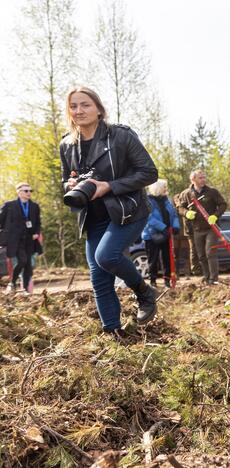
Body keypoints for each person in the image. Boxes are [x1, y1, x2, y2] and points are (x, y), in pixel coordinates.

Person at [59, 86, 159, 335]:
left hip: (128, 210)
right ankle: (112, 332)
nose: (79, 110)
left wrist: (109, 187)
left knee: (106, 256)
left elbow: (149, 172)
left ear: (99, 109)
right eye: (73, 106)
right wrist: (70, 184)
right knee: (98, 276)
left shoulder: (120, 136)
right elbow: (65, 178)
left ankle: (144, 293)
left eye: (85, 105)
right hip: (93, 216)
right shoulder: (67, 144)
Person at [176, 170, 227, 285]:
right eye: (200, 178)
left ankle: (214, 279)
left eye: (204, 177)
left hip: (211, 229)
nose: (203, 179)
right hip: (196, 229)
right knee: (201, 255)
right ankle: (207, 276)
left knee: (210, 252)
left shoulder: (212, 192)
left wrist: (215, 215)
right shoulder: (186, 194)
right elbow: (180, 208)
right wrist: (186, 213)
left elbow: (223, 204)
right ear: (193, 180)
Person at [0, 183, 42, 294]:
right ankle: (12, 282)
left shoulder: (34, 206)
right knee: (22, 260)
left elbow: (38, 223)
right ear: (19, 192)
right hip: (14, 240)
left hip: (29, 239)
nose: (29, 193)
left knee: (28, 265)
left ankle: (25, 290)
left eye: (30, 191)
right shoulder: (9, 205)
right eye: (26, 191)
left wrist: (37, 233)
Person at [142, 180, 181, 288]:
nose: (166, 189)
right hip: (151, 235)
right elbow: (149, 218)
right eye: (164, 187)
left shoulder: (167, 200)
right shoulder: (147, 201)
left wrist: (176, 226)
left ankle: (167, 280)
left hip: (167, 234)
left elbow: (173, 215)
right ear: (158, 188)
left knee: (167, 258)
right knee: (153, 259)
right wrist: (162, 227)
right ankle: (153, 281)